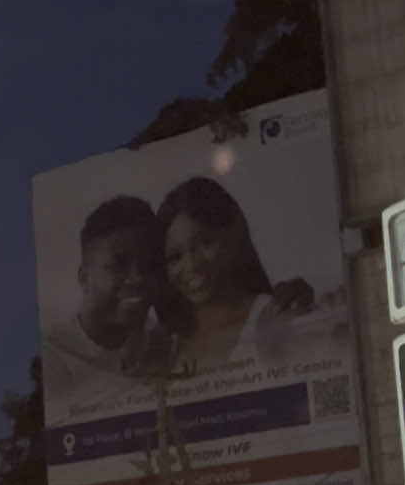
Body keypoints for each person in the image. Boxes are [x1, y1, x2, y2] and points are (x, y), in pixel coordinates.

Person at [153, 177, 317, 373]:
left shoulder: (275, 320)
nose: (192, 265)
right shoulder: (168, 345)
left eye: (205, 243)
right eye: (175, 257)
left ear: (232, 238)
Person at [41, 196, 160, 414]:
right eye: (118, 265)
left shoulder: (163, 341)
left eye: (148, 265)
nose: (137, 278)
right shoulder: (51, 358)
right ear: (84, 277)